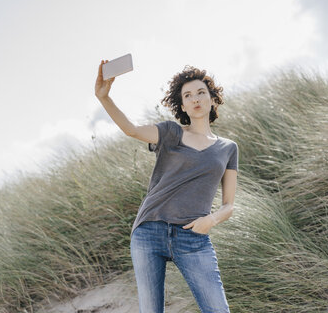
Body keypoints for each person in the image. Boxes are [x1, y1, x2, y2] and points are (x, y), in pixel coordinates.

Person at [95, 59, 238, 313]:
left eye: (201, 93)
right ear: (182, 104)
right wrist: (104, 97)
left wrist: (211, 220)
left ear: (212, 98)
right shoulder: (171, 133)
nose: (195, 98)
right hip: (150, 230)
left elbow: (229, 205)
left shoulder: (228, 148)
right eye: (188, 95)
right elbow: (131, 130)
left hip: (194, 236)